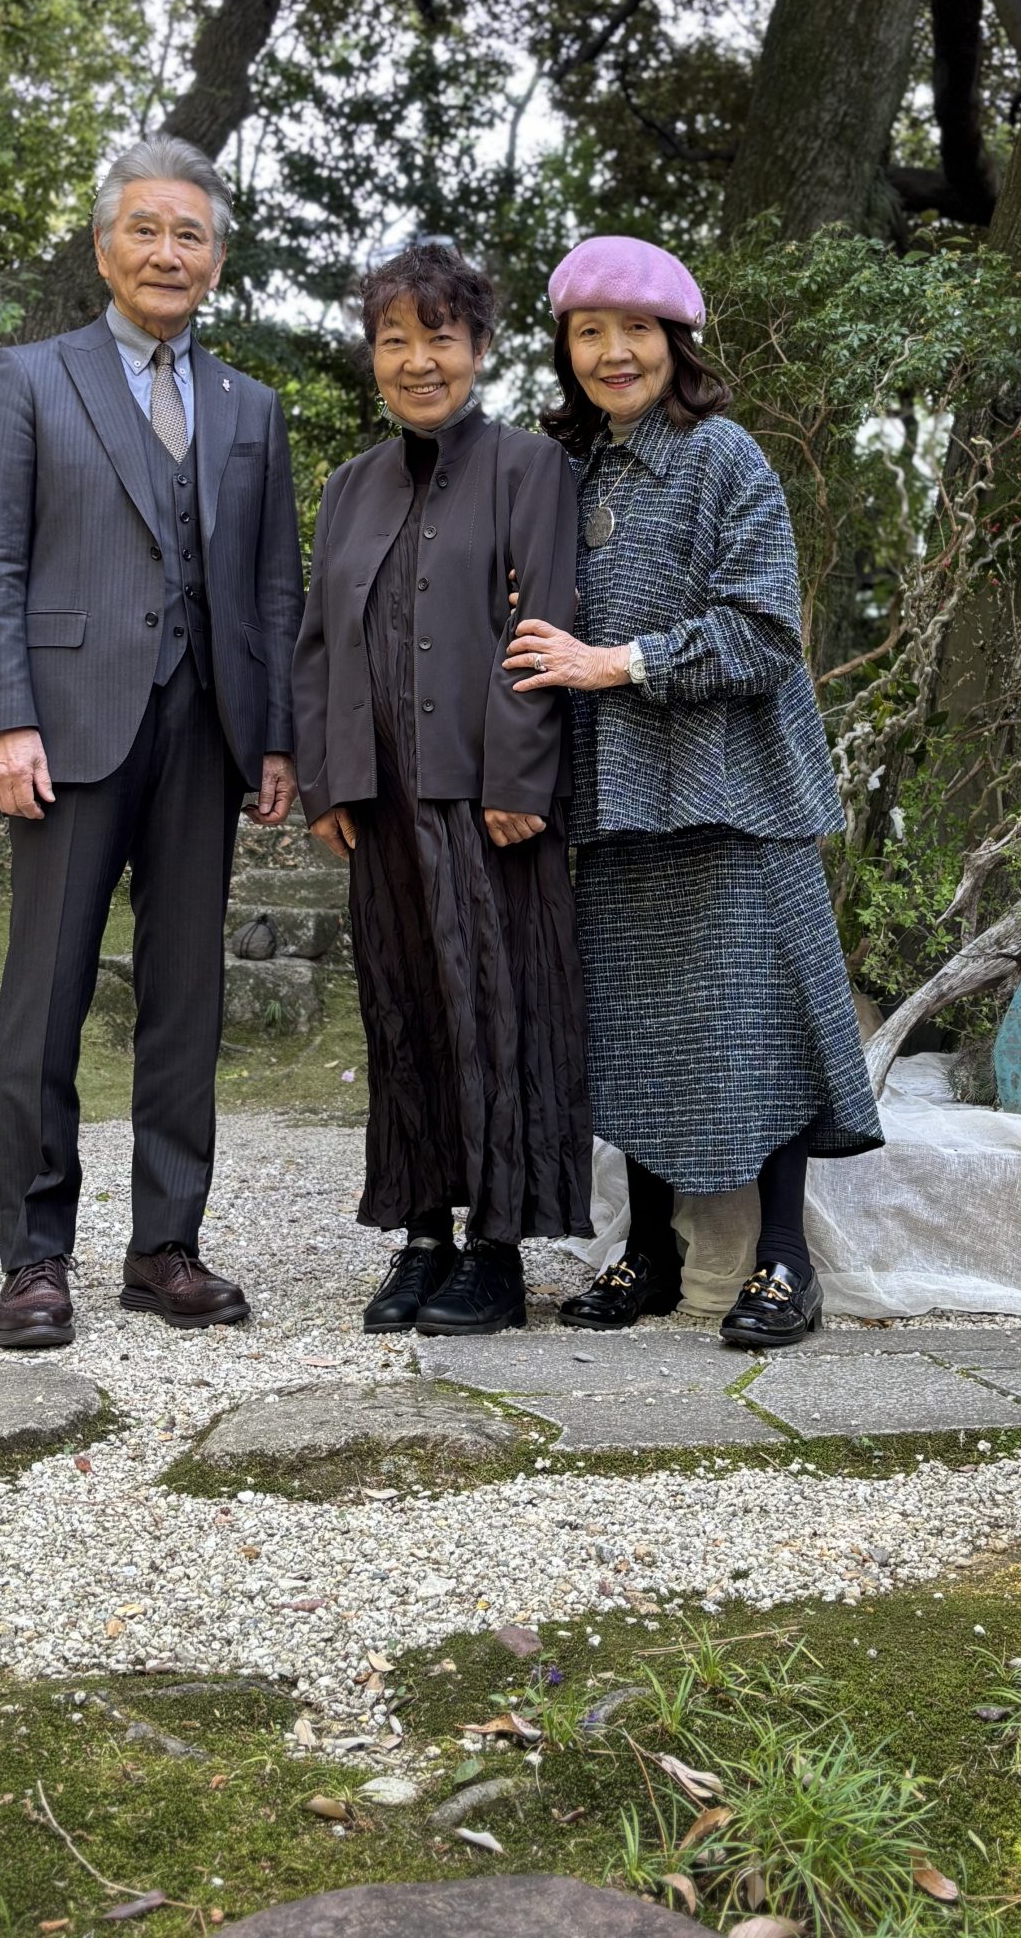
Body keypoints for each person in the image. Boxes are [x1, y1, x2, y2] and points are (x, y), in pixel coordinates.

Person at [505, 234, 881, 1349]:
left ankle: (785, 1261)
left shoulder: (725, 455)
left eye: (637, 329)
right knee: (632, 1024)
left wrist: (614, 663)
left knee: (760, 1025)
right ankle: (652, 1252)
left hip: (736, 791)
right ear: (567, 349)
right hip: (616, 797)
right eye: (590, 333)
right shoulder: (564, 471)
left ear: (677, 341)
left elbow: (764, 632)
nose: (613, 352)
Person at [0, 135, 302, 1350]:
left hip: (207, 729)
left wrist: (274, 738)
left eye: (189, 234)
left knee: (187, 995)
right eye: (144, 230)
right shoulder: (31, 379)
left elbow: (274, 588)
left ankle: (166, 1246)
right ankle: (34, 1257)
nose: (167, 252)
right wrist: (5, 718)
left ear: (216, 260)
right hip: (65, 725)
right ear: (105, 248)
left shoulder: (251, 408)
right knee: (46, 994)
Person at [294, 243, 591, 1336]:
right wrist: (328, 779)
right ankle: (423, 1234)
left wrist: (520, 773)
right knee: (404, 1011)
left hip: (487, 801)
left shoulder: (530, 468)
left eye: (441, 338)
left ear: (480, 349)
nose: (418, 361)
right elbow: (319, 644)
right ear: (373, 357)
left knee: (498, 1013)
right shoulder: (348, 487)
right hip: (378, 803)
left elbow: (543, 625)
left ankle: (497, 1251)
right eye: (394, 341)